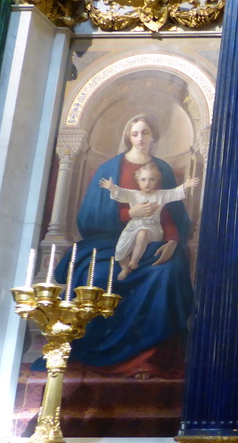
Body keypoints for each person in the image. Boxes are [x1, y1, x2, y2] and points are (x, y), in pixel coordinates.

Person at [52, 113, 195, 378]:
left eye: (145, 133)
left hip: (155, 242)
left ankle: (150, 359)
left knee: (168, 272)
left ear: (154, 137)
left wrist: (173, 241)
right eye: (135, 133)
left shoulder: (162, 170)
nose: (140, 138)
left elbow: (171, 213)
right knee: (97, 275)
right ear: (128, 137)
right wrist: (131, 214)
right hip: (109, 243)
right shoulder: (109, 169)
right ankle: (99, 352)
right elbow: (89, 218)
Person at [100, 162, 199, 280]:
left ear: (157, 180)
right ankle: (125, 268)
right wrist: (112, 187)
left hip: (152, 227)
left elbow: (174, 193)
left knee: (142, 234)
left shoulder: (160, 195)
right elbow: (121, 193)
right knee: (120, 249)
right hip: (133, 226)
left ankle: (134, 261)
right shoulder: (133, 194)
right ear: (138, 180)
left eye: (151, 179)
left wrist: (186, 185)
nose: (147, 183)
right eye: (143, 179)